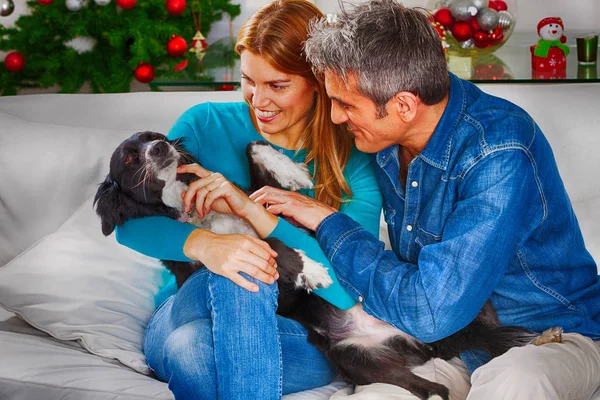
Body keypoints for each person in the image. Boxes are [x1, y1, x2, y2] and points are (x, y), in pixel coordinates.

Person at [235, 1, 600, 399]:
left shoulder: (498, 151)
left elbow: (430, 311)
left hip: (544, 337)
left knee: (516, 385)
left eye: (346, 105)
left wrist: (328, 223)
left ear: (404, 105)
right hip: (451, 343)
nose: (336, 117)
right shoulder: (383, 136)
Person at [114, 1, 382, 399]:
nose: (258, 100)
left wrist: (251, 212)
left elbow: (350, 282)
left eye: (277, 85)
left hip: (295, 329)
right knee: (241, 264)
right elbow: (130, 222)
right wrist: (209, 245)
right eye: (248, 81)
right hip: (187, 307)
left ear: (318, 81)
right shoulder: (204, 123)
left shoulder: (352, 159)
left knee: (192, 352)